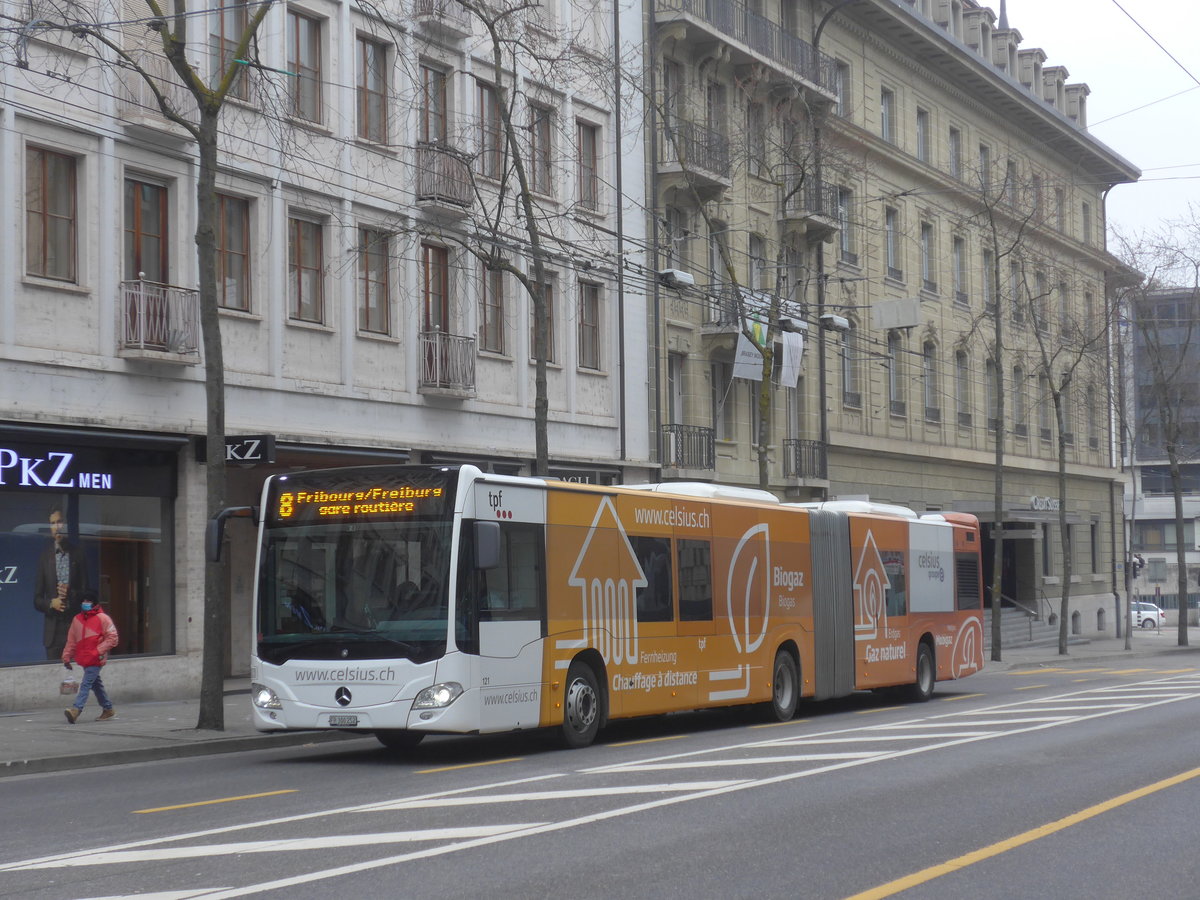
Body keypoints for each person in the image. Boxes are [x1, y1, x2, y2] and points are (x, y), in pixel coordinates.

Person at [33, 506, 88, 661]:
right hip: (53, 633)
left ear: (65, 525)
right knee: (53, 680)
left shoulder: (78, 554)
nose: (56, 526)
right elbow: (36, 600)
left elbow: (89, 595)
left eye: (59, 522)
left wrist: (72, 594)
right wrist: (52, 604)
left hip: (75, 629)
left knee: (75, 680)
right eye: (53, 523)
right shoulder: (45, 557)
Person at [62, 590, 118, 723]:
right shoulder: (77, 619)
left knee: (86, 683)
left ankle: (76, 709)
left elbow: (113, 638)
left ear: (94, 603)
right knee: (95, 684)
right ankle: (108, 709)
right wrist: (66, 656)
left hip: (96, 659)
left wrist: (97, 651)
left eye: (88, 601)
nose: (85, 603)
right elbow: (71, 640)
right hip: (85, 659)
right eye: (84, 601)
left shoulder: (103, 618)